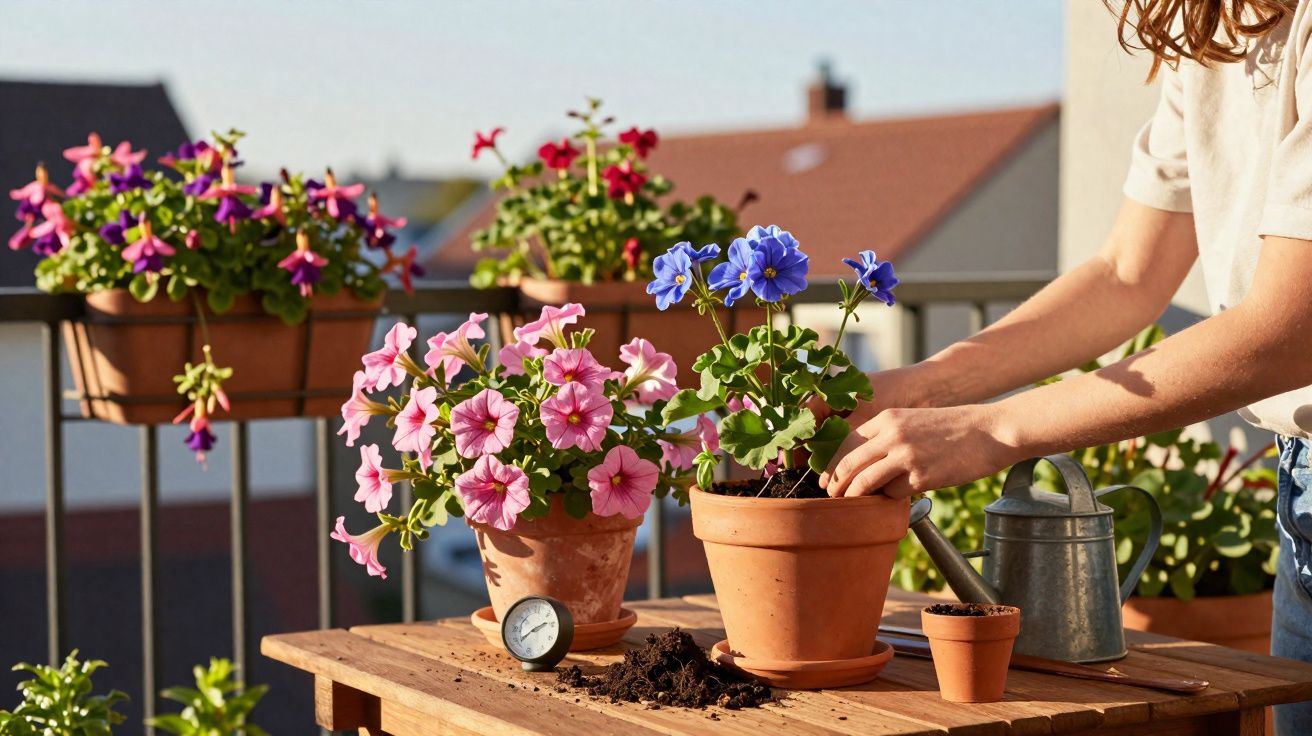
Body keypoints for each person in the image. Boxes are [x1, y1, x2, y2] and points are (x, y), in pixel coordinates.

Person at [817, 1, 1312, 732]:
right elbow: (1126, 273)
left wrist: (995, 429)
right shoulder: (1212, 28)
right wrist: (918, 388)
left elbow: (1287, 329)